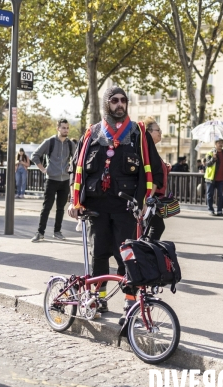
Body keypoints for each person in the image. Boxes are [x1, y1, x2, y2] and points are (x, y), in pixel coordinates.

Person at [68, 86, 164, 318]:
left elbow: (156, 168)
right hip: (96, 206)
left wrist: (147, 200)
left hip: (127, 207)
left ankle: (130, 300)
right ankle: (99, 300)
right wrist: (74, 201)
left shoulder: (139, 133)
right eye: (114, 101)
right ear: (106, 104)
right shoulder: (92, 133)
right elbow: (76, 169)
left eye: (123, 100)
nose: (120, 104)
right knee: (98, 253)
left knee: (128, 254)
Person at [30, 119, 74, 242]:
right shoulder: (49, 142)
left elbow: (76, 160)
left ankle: (57, 232)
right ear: (58, 128)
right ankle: (40, 233)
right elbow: (35, 156)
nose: (66, 130)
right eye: (63, 128)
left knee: (61, 208)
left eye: (67, 128)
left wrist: (70, 168)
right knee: (46, 207)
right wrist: (43, 169)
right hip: (51, 180)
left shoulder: (70, 144)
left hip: (65, 180)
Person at [145, 117, 170, 241]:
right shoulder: (146, 149)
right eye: (158, 130)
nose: (161, 132)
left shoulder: (151, 149)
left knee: (151, 225)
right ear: (148, 132)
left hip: (154, 195)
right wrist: (149, 197)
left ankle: (147, 249)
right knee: (156, 226)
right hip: (151, 195)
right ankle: (147, 250)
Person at [205, 137, 223, 216]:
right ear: (215, 144)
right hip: (211, 178)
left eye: (222, 143)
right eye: (219, 143)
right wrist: (213, 159)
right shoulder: (210, 153)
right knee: (210, 195)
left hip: (222, 178)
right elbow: (207, 164)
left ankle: (219, 210)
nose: (221, 144)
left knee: (221, 195)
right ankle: (210, 210)